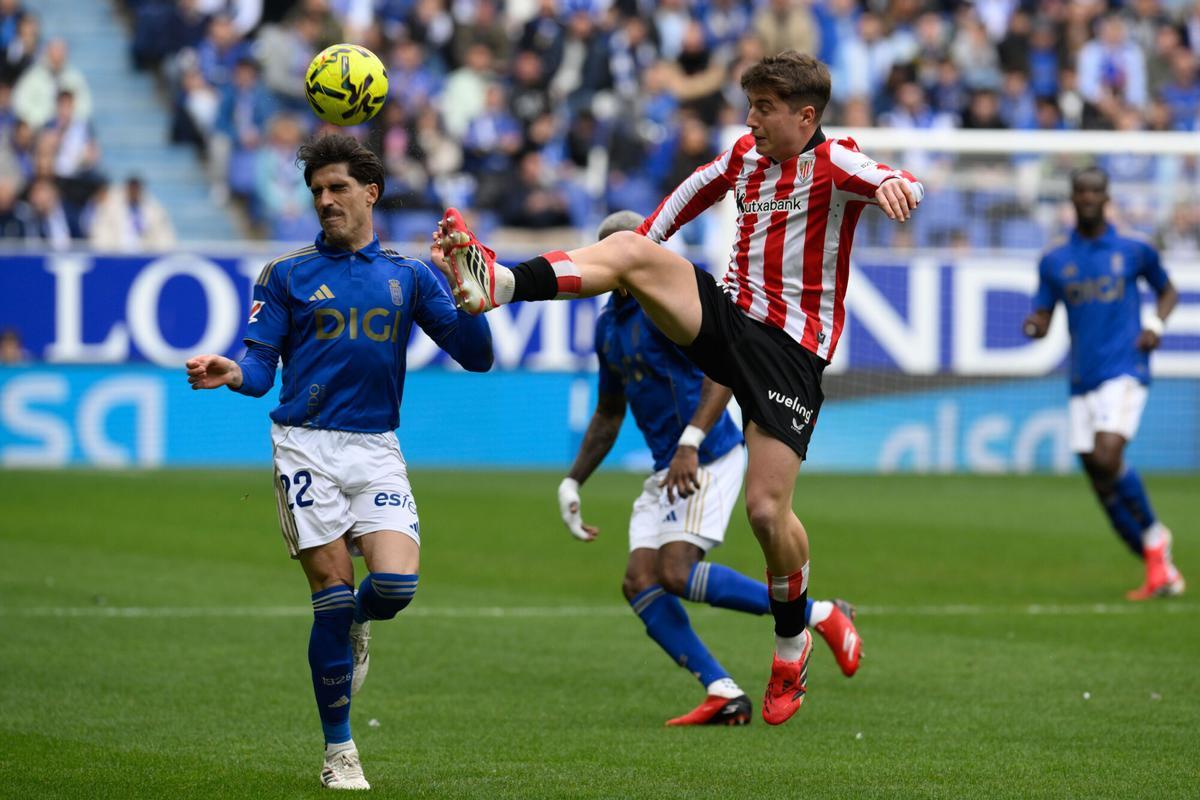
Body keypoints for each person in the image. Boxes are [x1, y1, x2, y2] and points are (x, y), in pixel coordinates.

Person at [432, 51, 921, 725]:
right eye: (749, 106)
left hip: (789, 354)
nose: (751, 120)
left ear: (806, 117)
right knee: (631, 248)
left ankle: (791, 640)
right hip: (726, 319)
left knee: (767, 514)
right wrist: (634, 263)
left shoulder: (836, 163)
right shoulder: (741, 159)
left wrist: (899, 186)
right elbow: (677, 208)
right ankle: (501, 283)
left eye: (766, 108)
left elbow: (884, 175)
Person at [185, 134, 493, 789]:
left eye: (338, 189)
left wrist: (462, 277)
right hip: (305, 446)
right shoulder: (287, 274)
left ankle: (358, 623)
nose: (325, 201)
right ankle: (339, 752)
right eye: (317, 191)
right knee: (326, 602)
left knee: (394, 590)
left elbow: (479, 355)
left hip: (376, 447)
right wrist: (232, 369)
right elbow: (263, 369)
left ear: (370, 193)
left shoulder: (409, 275)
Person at [560, 210, 862, 726]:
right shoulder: (610, 325)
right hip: (668, 465)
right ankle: (723, 690)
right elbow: (610, 411)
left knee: (674, 571)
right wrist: (573, 480)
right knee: (639, 582)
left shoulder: (669, 304)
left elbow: (727, 369)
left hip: (706, 454)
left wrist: (692, 441)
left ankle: (816, 614)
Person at [1022, 166, 1184, 601]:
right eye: (1082, 191)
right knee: (1098, 476)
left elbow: (1168, 291)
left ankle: (1155, 538)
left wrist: (1154, 324)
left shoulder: (1133, 249)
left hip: (1126, 367)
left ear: (1106, 196)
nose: (1089, 198)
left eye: (1096, 191)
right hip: (1082, 378)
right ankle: (1159, 568)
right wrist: (1035, 325)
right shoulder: (1055, 260)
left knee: (1108, 453)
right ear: (1073, 199)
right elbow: (1044, 311)